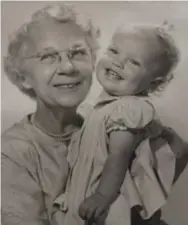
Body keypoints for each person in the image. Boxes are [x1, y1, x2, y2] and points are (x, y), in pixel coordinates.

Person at [55, 23, 188, 225]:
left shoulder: (129, 110)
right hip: (89, 187)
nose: (118, 63)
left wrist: (102, 197)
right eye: (114, 51)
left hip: (109, 194)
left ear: (153, 83)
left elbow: (119, 156)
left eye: (133, 62)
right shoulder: (103, 106)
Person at [1, 4, 100, 225]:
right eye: (48, 56)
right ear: (23, 76)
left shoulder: (103, 121)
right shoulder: (12, 154)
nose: (68, 67)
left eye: (78, 53)